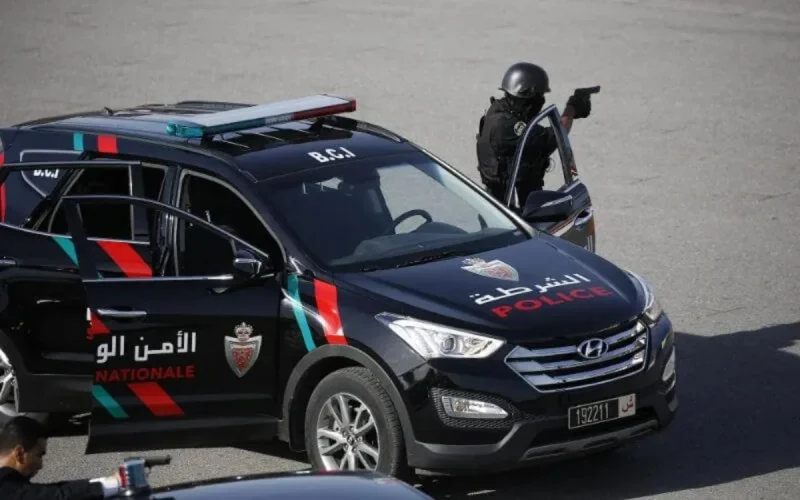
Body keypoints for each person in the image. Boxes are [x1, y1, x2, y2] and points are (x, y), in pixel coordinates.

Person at [476, 61, 594, 208]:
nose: (541, 102)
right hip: (512, 212)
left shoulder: (499, 111)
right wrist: (571, 110)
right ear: (528, 95)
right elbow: (553, 136)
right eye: (539, 97)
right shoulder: (506, 126)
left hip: (502, 205)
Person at [0, 416, 122, 499]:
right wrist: (115, 483)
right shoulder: (6, 488)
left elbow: (51, 490)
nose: (41, 465)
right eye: (39, 455)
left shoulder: (9, 483)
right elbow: (56, 496)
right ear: (19, 454)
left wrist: (106, 480)